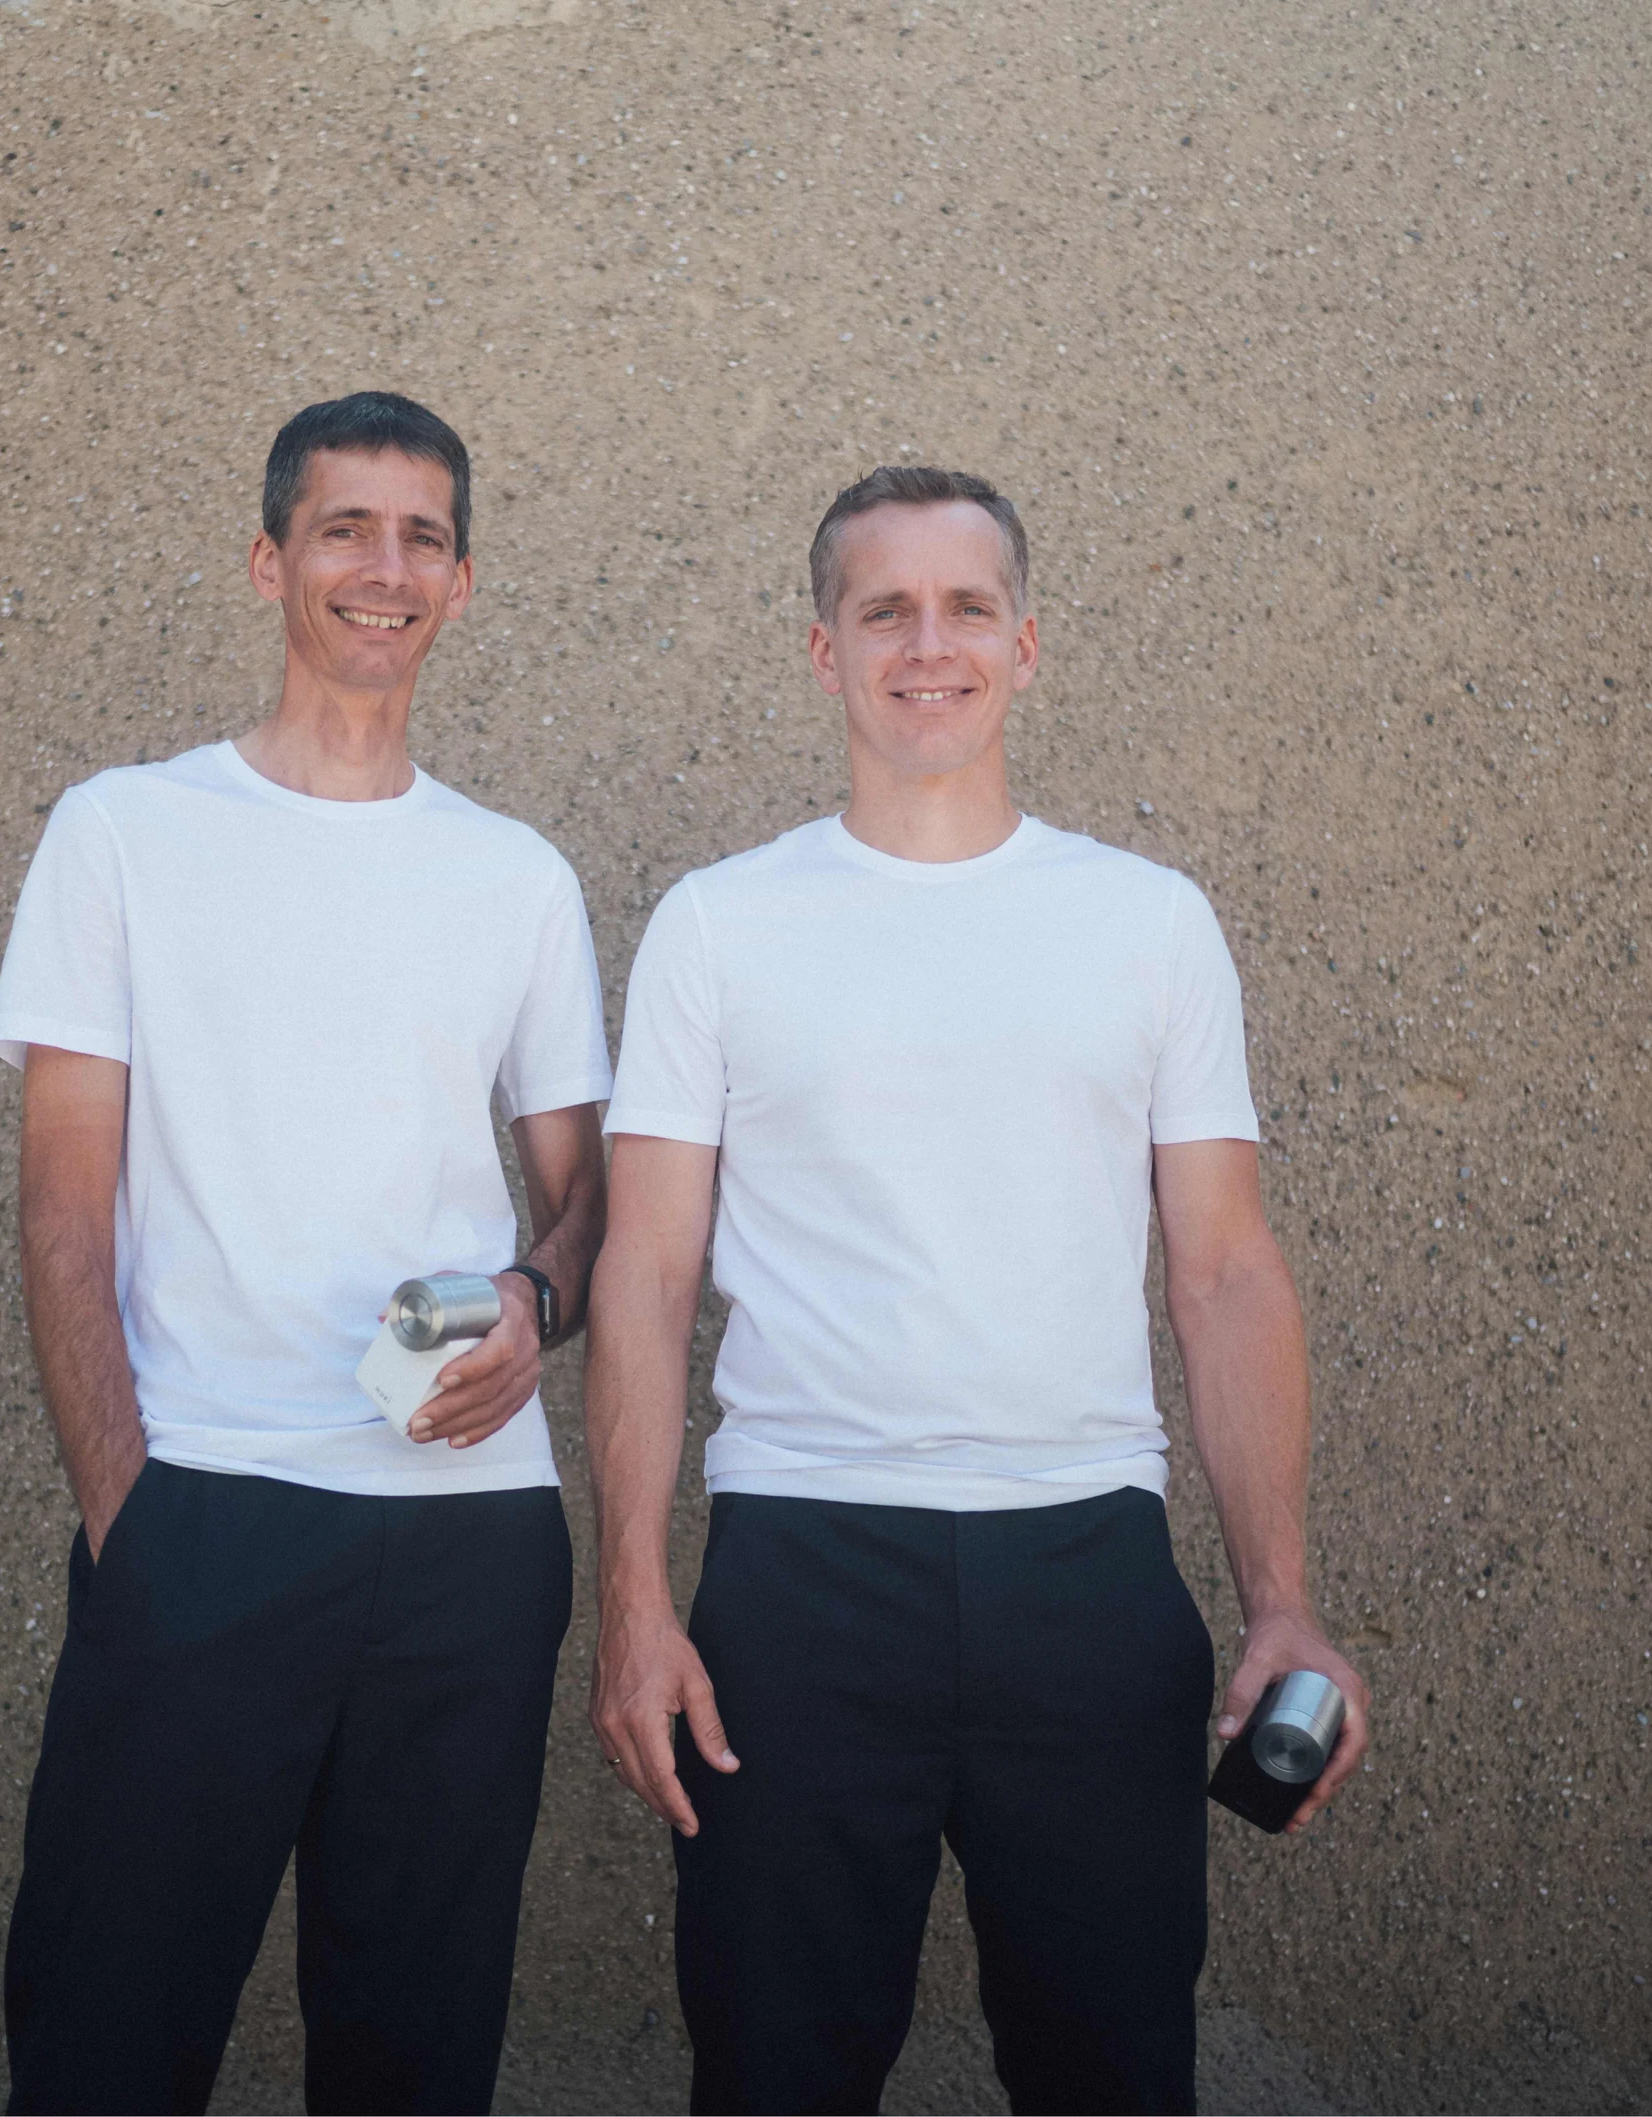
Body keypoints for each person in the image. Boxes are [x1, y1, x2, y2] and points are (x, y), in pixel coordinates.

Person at [584, 465, 1369, 2115]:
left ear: (1029, 645)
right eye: (886, 609)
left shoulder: (1150, 925)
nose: (926, 644)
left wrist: (1282, 1597)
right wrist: (638, 1605)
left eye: (965, 608)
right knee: (773, 2077)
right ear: (822, 652)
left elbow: (1224, 1272)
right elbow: (645, 1276)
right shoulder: (719, 927)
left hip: (1087, 1572)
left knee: (1114, 2077)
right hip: (799, 1579)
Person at [0, 392, 611, 2115]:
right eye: (345, 528)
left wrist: (538, 1303)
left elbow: (589, 1190)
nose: (381, 568)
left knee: (414, 2062)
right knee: (106, 2047)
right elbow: (62, 1202)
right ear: (271, 560)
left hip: (471, 1541)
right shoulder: (123, 830)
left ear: (461, 585)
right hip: (206, 1512)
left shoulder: (518, 877)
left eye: (421, 538)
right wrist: (131, 1514)